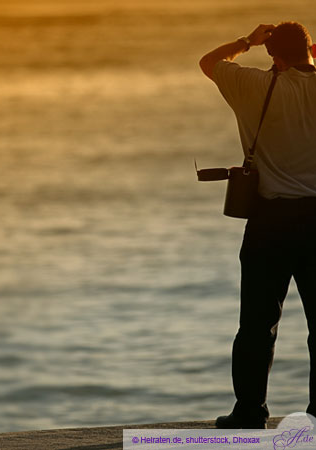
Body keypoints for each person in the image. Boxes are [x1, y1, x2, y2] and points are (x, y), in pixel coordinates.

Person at [199, 22, 316, 429]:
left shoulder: (253, 87)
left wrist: (247, 41)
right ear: (310, 51)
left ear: (273, 56)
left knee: (256, 324)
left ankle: (250, 411)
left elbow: (210, 62)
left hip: (270, 221)